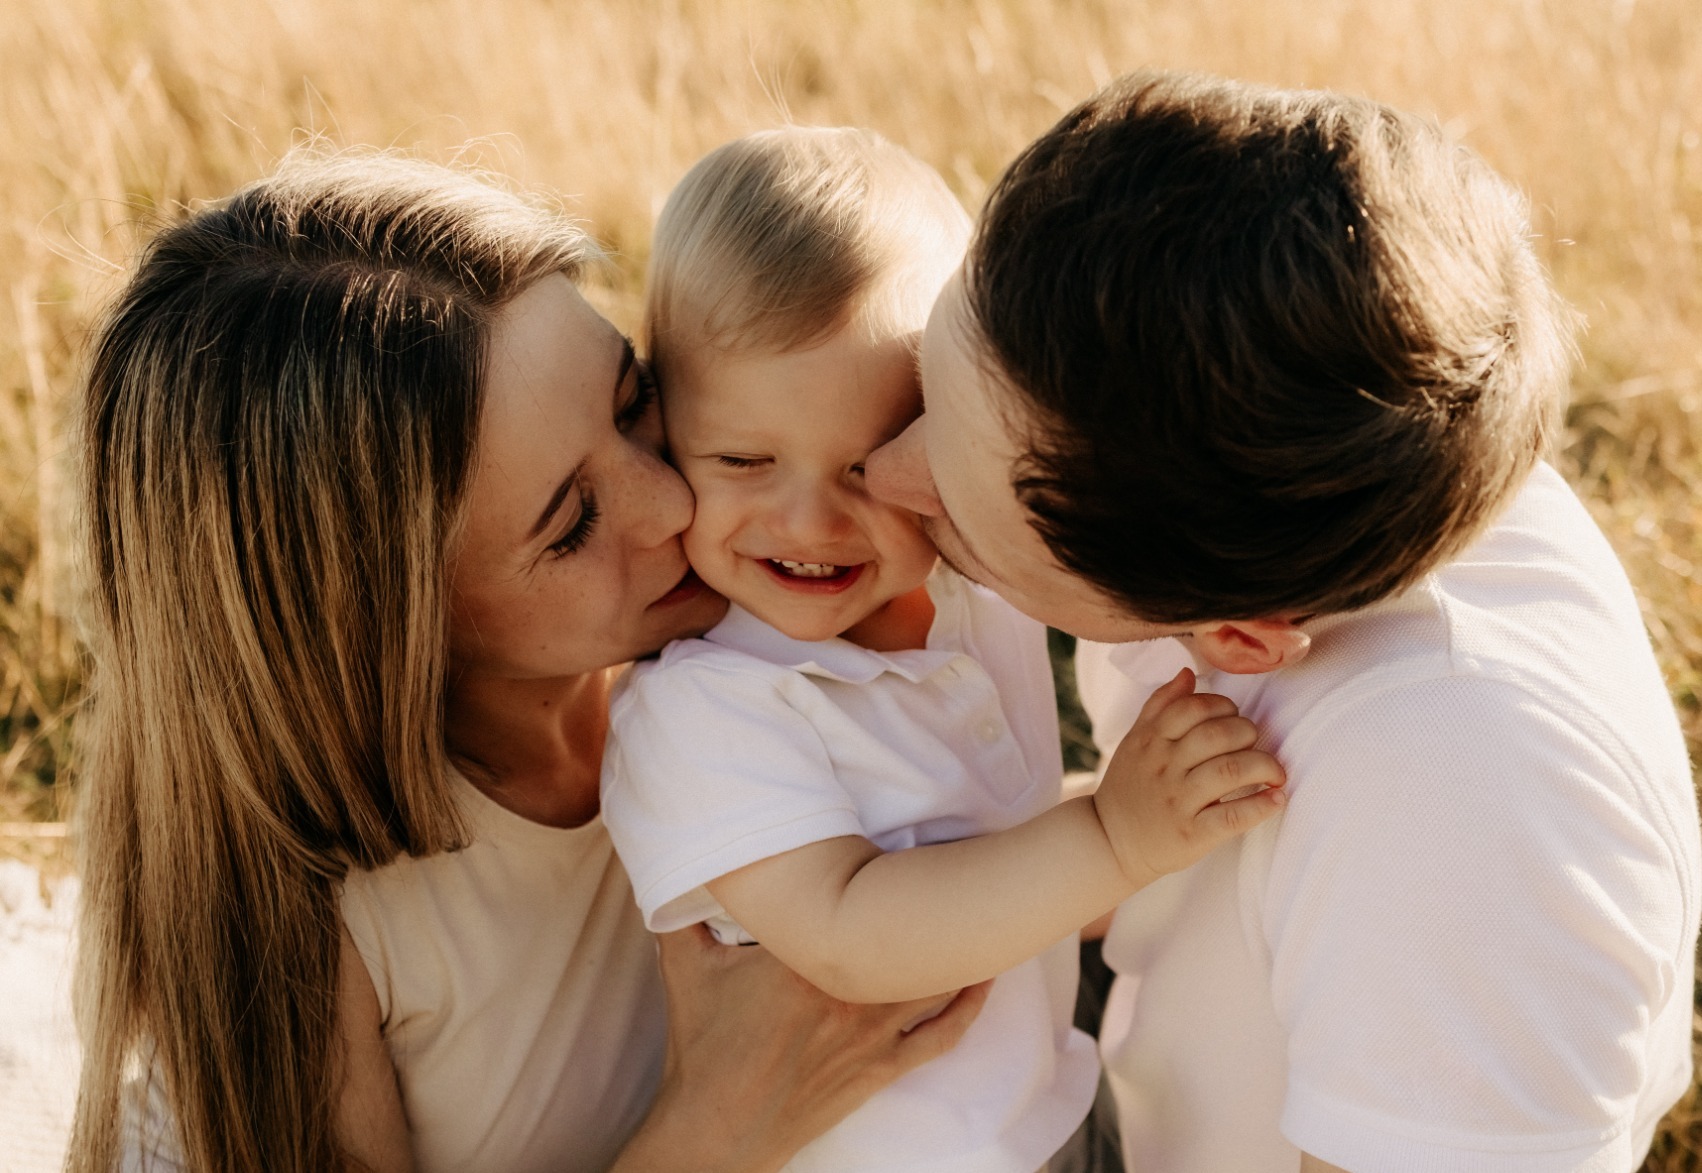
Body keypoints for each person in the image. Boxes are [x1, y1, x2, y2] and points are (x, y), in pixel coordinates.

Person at [68, 151, 996, 1173]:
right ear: (392, 624)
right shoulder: (311, 929)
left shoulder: (752, 644)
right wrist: (714, 1133)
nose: (672, 503)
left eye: (633, 402)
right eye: (572, 524)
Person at [866, 71, 1701, 1173]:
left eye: (960, 517)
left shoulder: (1465, 831)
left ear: (1239, 637)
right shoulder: (1267, 467)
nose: (880, 475)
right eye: (928, 386)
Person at [600, 126, 1286, 1173]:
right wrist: (1115, 836)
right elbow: (848, 933)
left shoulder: (968, 588)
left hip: (1046, 1109)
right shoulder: (703, 706)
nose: (809, 520)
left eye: (864, 462)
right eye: (742, 459)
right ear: (665, 432)